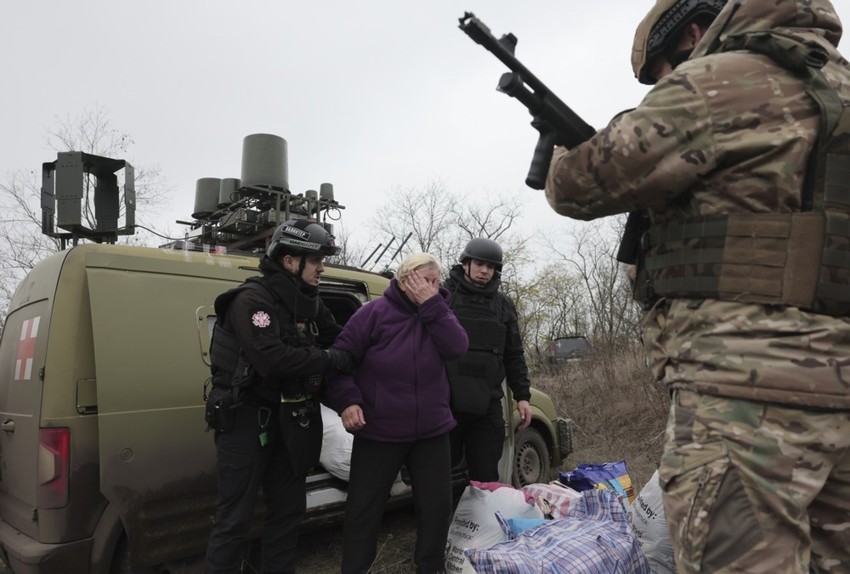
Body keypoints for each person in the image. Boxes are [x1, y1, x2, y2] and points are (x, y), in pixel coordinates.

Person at [544, 0, 850, 572]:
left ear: (691, 33)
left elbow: (580, 184)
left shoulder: (716, 80)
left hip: (744, 396)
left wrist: (559, 152)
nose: (664, 84)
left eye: (661, 71)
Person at [203, 219, 353, 574]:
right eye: (316, 260)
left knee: (288, 511)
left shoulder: (310, 303)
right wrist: (330, 359)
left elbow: (342, 337)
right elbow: (271, 360)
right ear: (290, 261)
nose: (322, 268)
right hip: (245, 418)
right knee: (234, 518)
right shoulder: (251, 300)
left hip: (289, 420)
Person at [323, 252, 469, 574]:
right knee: (363, 509)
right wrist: (348, 401)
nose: (432, 287)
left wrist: (433, 307)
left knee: (436, 507)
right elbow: (339, 363)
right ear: (404, 282)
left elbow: (457, 347)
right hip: (380, 429)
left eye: (436, 281)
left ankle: (430, 568)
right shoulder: (372, 314)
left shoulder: (440, 313)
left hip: (431, 429)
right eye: (424, 280)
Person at [443, 238, 532, 483]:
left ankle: (482, 509)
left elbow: (514, 354)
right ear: (465, 264)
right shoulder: (444, 296)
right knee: (441, 475)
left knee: (486, 476)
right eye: (479, 264)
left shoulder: (503, 304)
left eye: (490, 267)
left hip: (487, 403)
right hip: (447, 402)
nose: (484, 271)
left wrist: (523, 396)